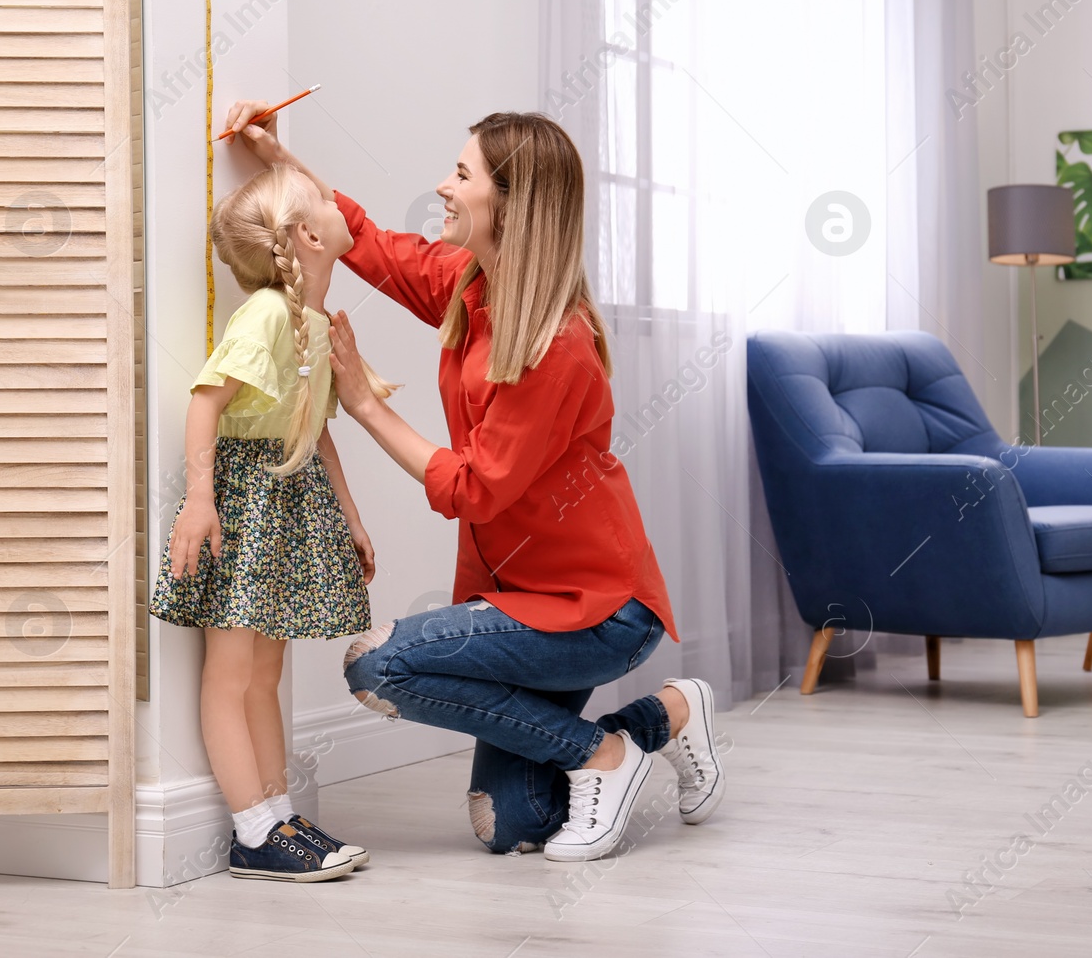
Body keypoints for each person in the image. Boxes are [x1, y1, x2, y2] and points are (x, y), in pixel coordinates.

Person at [222, 102, 727, 861]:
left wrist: (359, 402)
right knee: (513, 822)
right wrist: (278, 160)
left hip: (596, 610)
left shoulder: (558, 343)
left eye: (461, 174)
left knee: (376, 664)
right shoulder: (473, 282)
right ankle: (663, 719)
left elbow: (472, 489)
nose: (443, 187)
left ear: (510, 204)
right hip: (516, 601)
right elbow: (369, 243)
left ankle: (604, 758)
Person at [150, 163, 392, 881]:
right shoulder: (262, 316)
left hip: (289, 496)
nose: (334, 194)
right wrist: (201, 497)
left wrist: (348, 511)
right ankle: (249, 827)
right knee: (231, 671)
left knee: (266, 670)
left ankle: (277, 813)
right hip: (250, 498)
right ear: (310, 235)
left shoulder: (311, 321)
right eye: (322, 196)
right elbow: (206, 400)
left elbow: (315, 428)